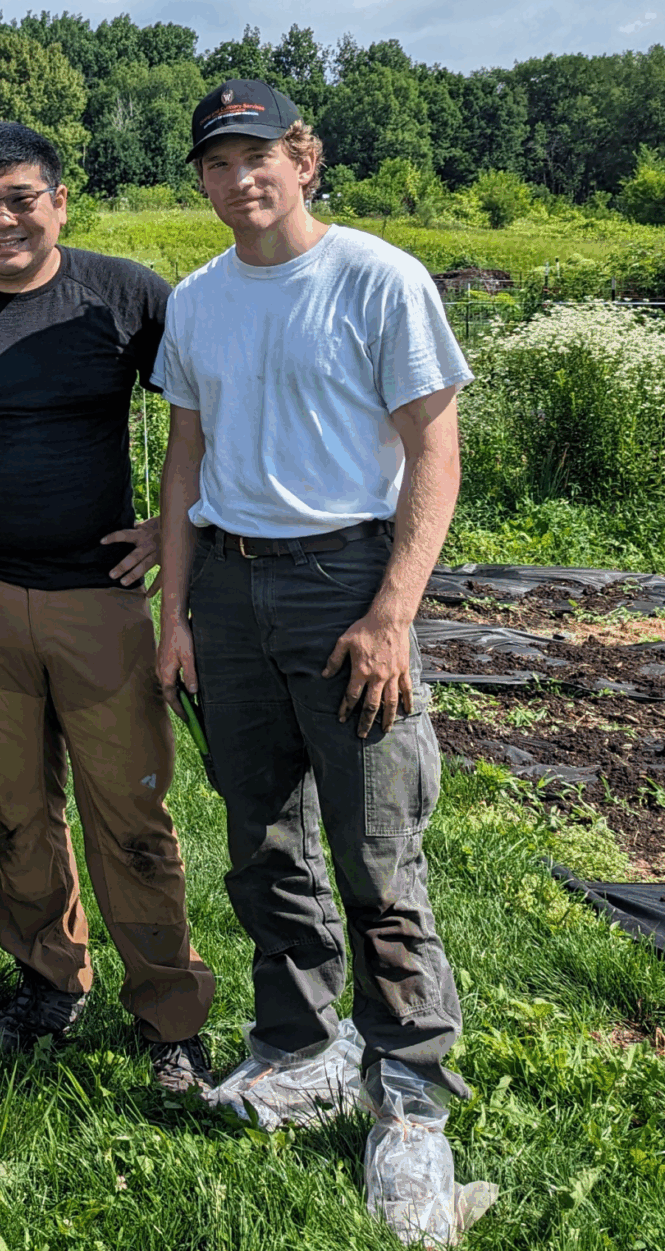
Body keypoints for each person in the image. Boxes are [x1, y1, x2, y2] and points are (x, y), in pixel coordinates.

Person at [0, 121, 217, 1093]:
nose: (2, 219)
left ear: (60, 202)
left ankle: (170, 1020)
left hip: (99, 601)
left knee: (134, 813)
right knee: (18, 813)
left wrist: (168, 524)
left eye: (22, 197)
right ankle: (48, 982)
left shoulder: (128, 296)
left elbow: (209, 411)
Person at [153, 80, 474, 1110]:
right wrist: (174, 616)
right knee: (262, 840)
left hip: (345, 581)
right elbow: (182, 461)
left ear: (303, 159)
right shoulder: (198, 300)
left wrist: (391, 616)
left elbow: (435, 453)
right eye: (216, 161)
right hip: (228, 585)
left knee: (376, 850)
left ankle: (410, 1076)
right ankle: (296, 1042)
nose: (239, 177)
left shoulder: (377, 278)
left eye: (257, 155)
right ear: (200, 179)